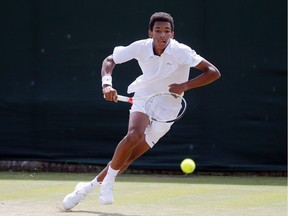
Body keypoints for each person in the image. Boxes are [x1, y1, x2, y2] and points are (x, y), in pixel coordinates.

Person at [62, 11, 221, 210]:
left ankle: (86, 189)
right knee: (133, 135)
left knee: (127, 159)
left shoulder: (182, 51)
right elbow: (109, 60)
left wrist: (184, 86)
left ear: (172, 34)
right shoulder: (140, 47)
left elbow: (213, 72)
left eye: (166, 31)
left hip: (169, 108)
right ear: (150, 33)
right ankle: (108, 183)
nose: (162, 35)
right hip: (144, 96)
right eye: (158, 31)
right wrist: (106, 85)